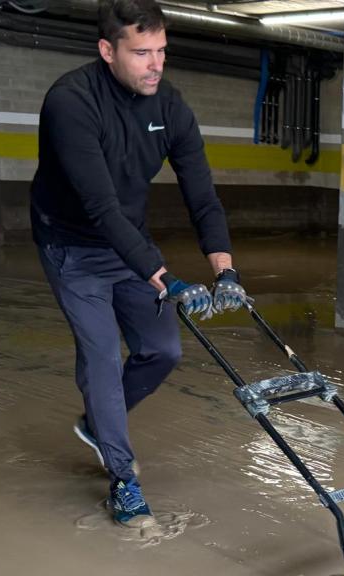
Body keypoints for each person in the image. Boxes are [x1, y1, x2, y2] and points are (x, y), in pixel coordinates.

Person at [31, 0, 247, 528]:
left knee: (162, 349)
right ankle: (124, 480)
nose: (156, 64)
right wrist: (167, 278)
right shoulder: (71, 102)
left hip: (128, 243)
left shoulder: (169, 106)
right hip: (73, 246)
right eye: (142, 52)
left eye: (162, 51)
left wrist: (226, 270)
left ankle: (98, 423)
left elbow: (202, 193)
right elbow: (101, 207)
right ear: (108, 51)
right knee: (102, 356)